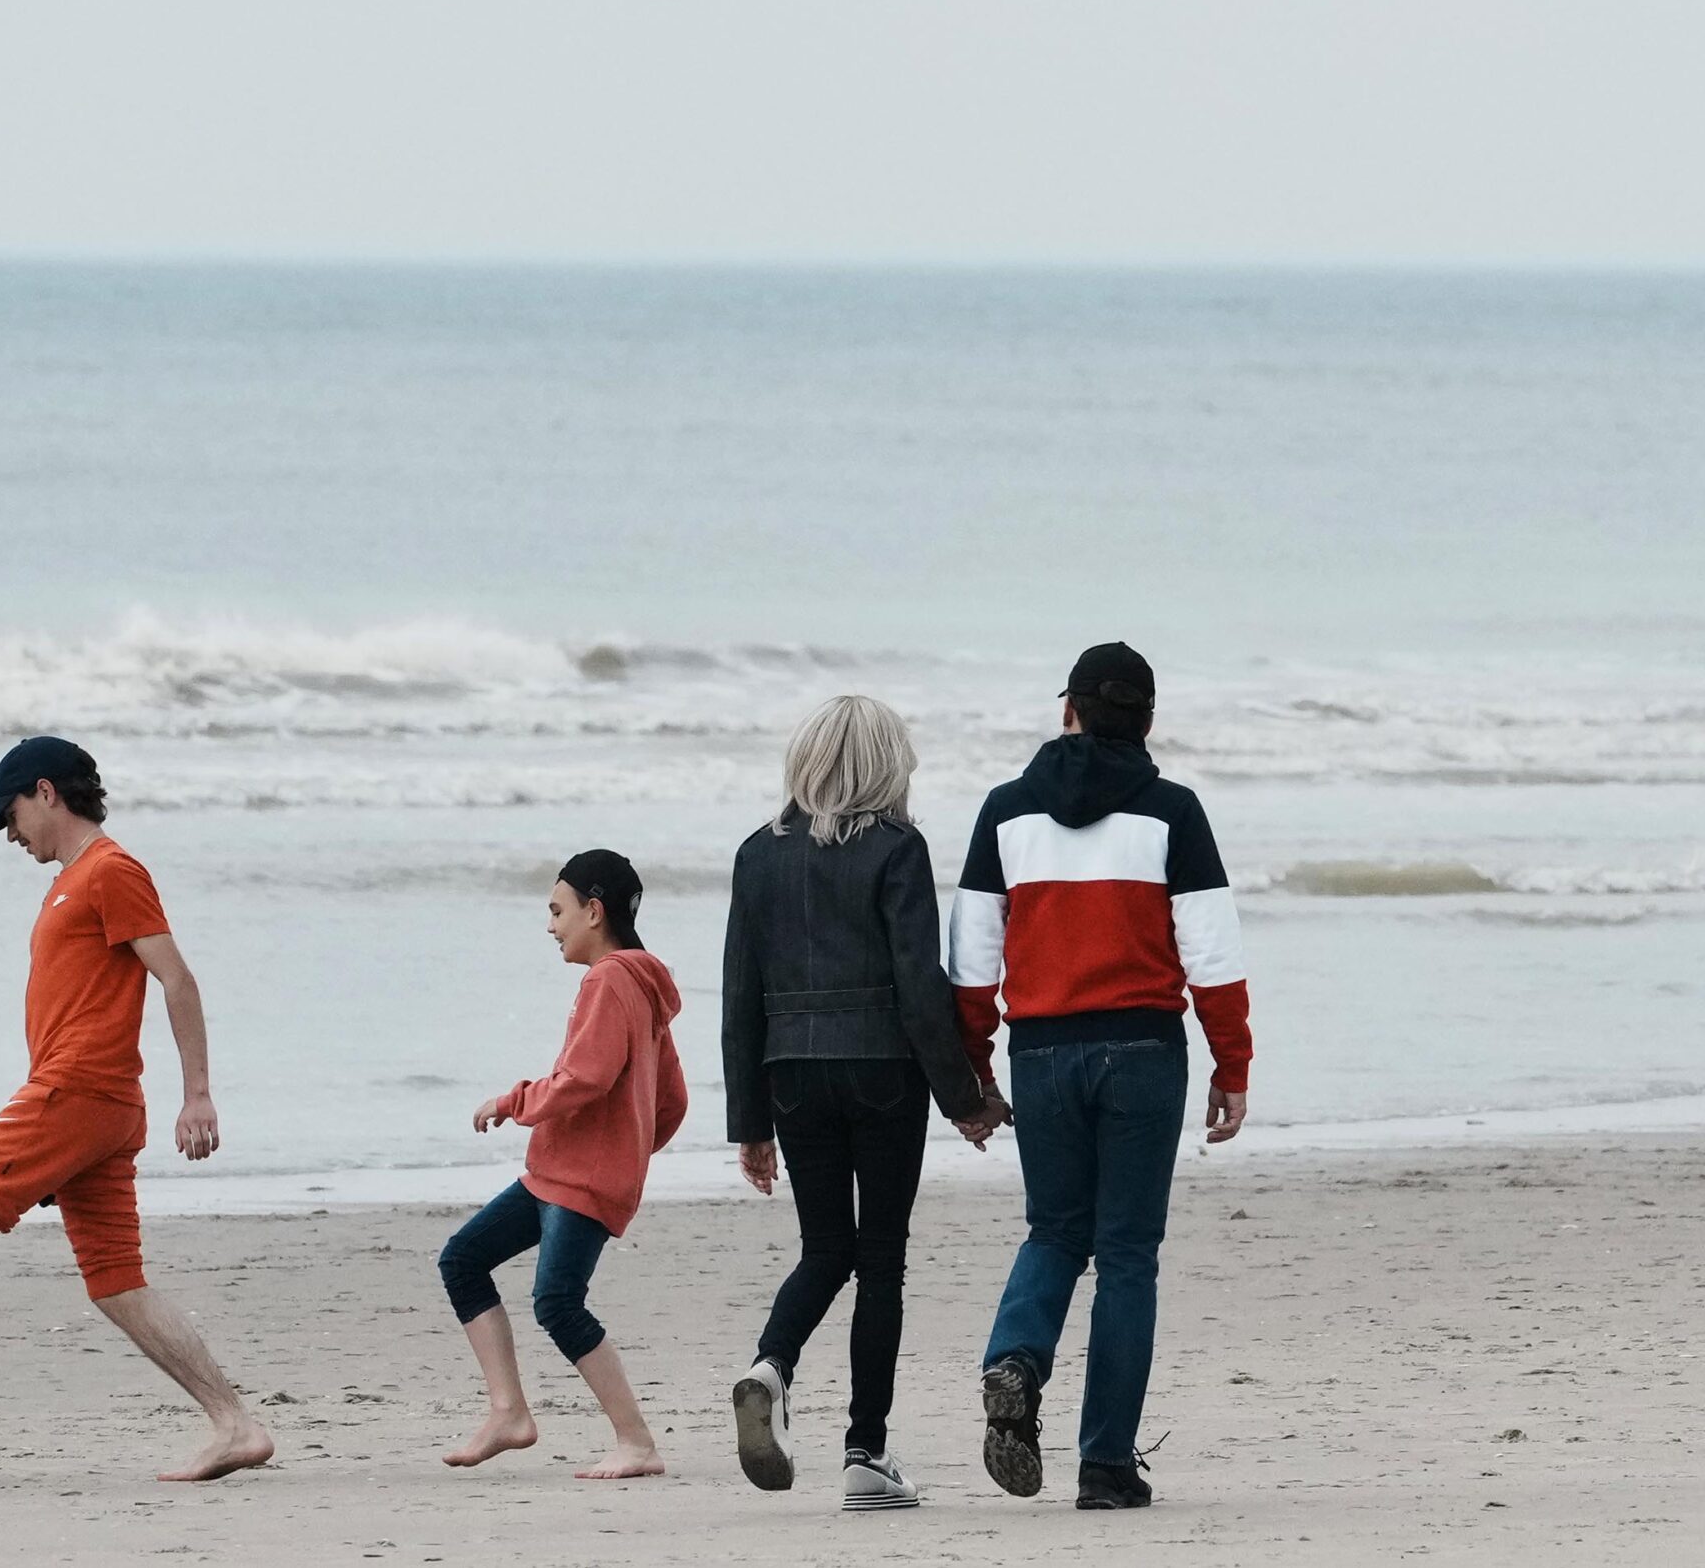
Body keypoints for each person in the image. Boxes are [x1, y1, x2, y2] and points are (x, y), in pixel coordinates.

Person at [0, 736, 273, 1481]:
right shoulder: (72, 881)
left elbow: (176, 980)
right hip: (88, 1104)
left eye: (9, 815)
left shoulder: (112, 871)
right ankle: (235, 1425)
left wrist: (197, 1093)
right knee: (116, 1280)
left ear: (46, 792)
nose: (9, 834)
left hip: (80, 1091)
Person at [950, 642, 1254, 1511]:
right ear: (1148, 721)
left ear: (1068, 711)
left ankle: (1014, 1357)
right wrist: (1232, 1062)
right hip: (1144, 1051)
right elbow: (1213, 953)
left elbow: (970, 961)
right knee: (1126, 1256)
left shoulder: (1005, 814)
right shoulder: (1174, 812)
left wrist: (974, 1068)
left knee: (1054, 1233)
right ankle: (1107, 1466)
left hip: (1040, 1053)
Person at [722, 695, 1010, 1511]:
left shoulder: (756, 854)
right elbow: (922, 988)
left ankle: (770, 1367)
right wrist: (965, 1096)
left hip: (789, 1074)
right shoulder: (897, 848)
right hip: (882, 1071)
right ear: (885, 766)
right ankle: (866, 1455)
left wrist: (749, 1121)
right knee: (879, 1259)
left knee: (825, 1249)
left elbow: (739, 995)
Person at [438, 850, 688, 1481]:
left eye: (557, 910)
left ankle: (636, 1441)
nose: (550, 926)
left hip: (582, 1179)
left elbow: (586, 1077)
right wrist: (628, 1149)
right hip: (561, 1172)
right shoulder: (644, 985)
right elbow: (673, 1100)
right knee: (463, 1260)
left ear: (594, 911)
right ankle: (508, 1412)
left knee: (556, 1302)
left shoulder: (608, 980)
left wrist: (512, 1100)